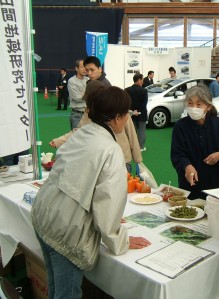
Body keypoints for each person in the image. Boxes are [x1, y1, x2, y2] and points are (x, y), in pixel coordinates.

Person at [32, 86, 151, 299]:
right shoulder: (110, 149)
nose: (128, 119)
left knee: (54, 287)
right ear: (117, 118)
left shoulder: (84, 133)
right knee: (66, 294)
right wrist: (120, 240)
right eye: (127, 114)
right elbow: (108, 204)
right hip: (66, 230)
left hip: (44, 213)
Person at [49, 80, 142, 173]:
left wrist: (138, 160)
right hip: (101, 162)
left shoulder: (120, 109)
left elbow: (132, 134)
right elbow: (79, 131)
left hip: (123, 159)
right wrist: (59, 141)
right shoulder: (89, 112)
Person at [171, 84, 219, 200]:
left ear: (208, 107)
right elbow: (177, 154)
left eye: (199, 104)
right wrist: (187, 166)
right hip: (189, 183)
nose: (193, 107)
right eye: (190, 103)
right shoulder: (180, 126)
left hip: (215, 185)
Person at [125, 73, 148, 151]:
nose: (143, 82)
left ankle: (132, 146)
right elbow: (144, 104)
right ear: (139, 80)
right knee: (141, 131)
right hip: (141, 114)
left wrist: (132, 111)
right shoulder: (144, 91)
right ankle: (141, 147)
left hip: (131, 114)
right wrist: (139, 112)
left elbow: (126, 102)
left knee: (132, 131)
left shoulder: (127, 90)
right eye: (142, 80)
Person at [68, 59, 89, 129]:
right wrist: (88, 95)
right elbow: (77, 98)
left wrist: (83, 94)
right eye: (82, 67)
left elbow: (94, 95)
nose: (85, 69)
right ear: (76, 68)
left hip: (88, 115)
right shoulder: (72, 81)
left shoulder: (88, 80)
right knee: (76, 138)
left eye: (85, 67)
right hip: (77, 115)